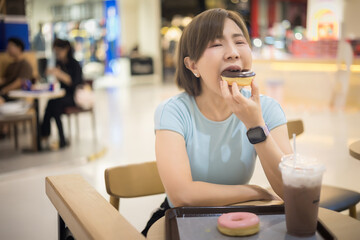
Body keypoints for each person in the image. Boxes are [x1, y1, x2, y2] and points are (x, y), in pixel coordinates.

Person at [141, 8, 293, 236]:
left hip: (239, 220)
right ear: (192, 65)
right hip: (182, 220)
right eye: (216, 44)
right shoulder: (173, 112)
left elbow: (291, 191)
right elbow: (181, 195)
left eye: (240, 41)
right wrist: (253, 191)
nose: (232, 53)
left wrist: (255, 126)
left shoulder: (267, 109)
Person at [41, 39, 83, 149]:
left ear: (66, 49)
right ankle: (53, 136)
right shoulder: (58, 63)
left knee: (54, 105)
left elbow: (75, 83)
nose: (58, 53)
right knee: (52, 104)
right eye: (56, 51)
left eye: (59, 51)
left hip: (75, 96)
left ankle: (46, 135)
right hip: (63, 95)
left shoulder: (74, 64)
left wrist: (60, 74)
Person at [0, 37, 33, 104]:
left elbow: (20, 82)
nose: (7, 49)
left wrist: (3, 91)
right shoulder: (11, 65)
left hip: (12, 96)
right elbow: (5, 79)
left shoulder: (25, 65)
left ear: (19, 48)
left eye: (10, 47)